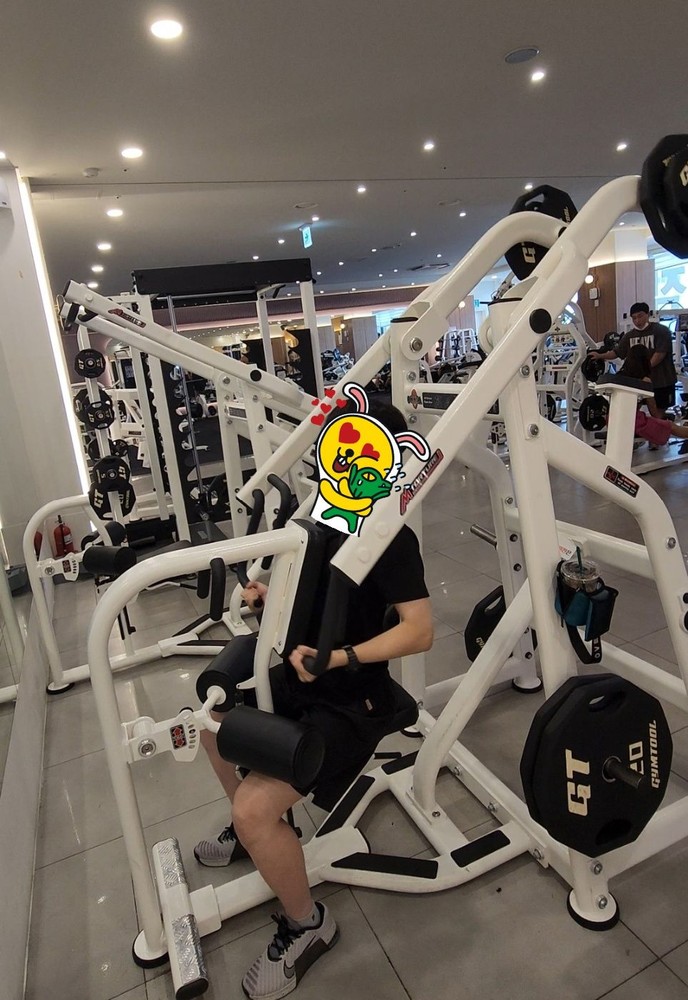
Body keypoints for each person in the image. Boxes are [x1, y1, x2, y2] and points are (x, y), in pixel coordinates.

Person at [194, 401, 433, 1000]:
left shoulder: (392, 540)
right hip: (303, 678)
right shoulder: (323, 518)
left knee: (255, 809)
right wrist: (264, 592)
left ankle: (309, 925)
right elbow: (306, 592)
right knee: (210, 722)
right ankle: (257, 834)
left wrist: (343, 657)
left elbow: (420, 631)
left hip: (352, 701)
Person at [590, 302, 677, 417]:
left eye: (640, 316)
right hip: (639, 382)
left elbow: (660, 355)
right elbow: (617, 352)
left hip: (661, 381)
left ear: (647, 314)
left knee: (657, 414)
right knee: (631, 412)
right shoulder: (629, 336)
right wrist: (599, 356)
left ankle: (661, 425)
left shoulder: (661, 331)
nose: (637, 321)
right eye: (634, 318)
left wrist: (643, 369)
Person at [616, 344, 688, 448]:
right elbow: (655, 413)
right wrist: (666, 419)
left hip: (614, 420)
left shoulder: (618, 377)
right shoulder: (644, 381)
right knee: (671, 426)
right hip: (632, 422)